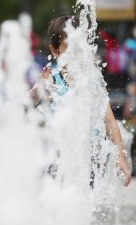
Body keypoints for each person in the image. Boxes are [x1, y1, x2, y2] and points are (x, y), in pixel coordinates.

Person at [29, 14, 131, 187]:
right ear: (55, 51)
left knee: (85, 203)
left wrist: (120, 156)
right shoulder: (52, 80)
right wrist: (37, 90)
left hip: (90, 155)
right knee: (59, 203)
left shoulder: (94, 81)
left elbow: (110, 122)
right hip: (59, 154)